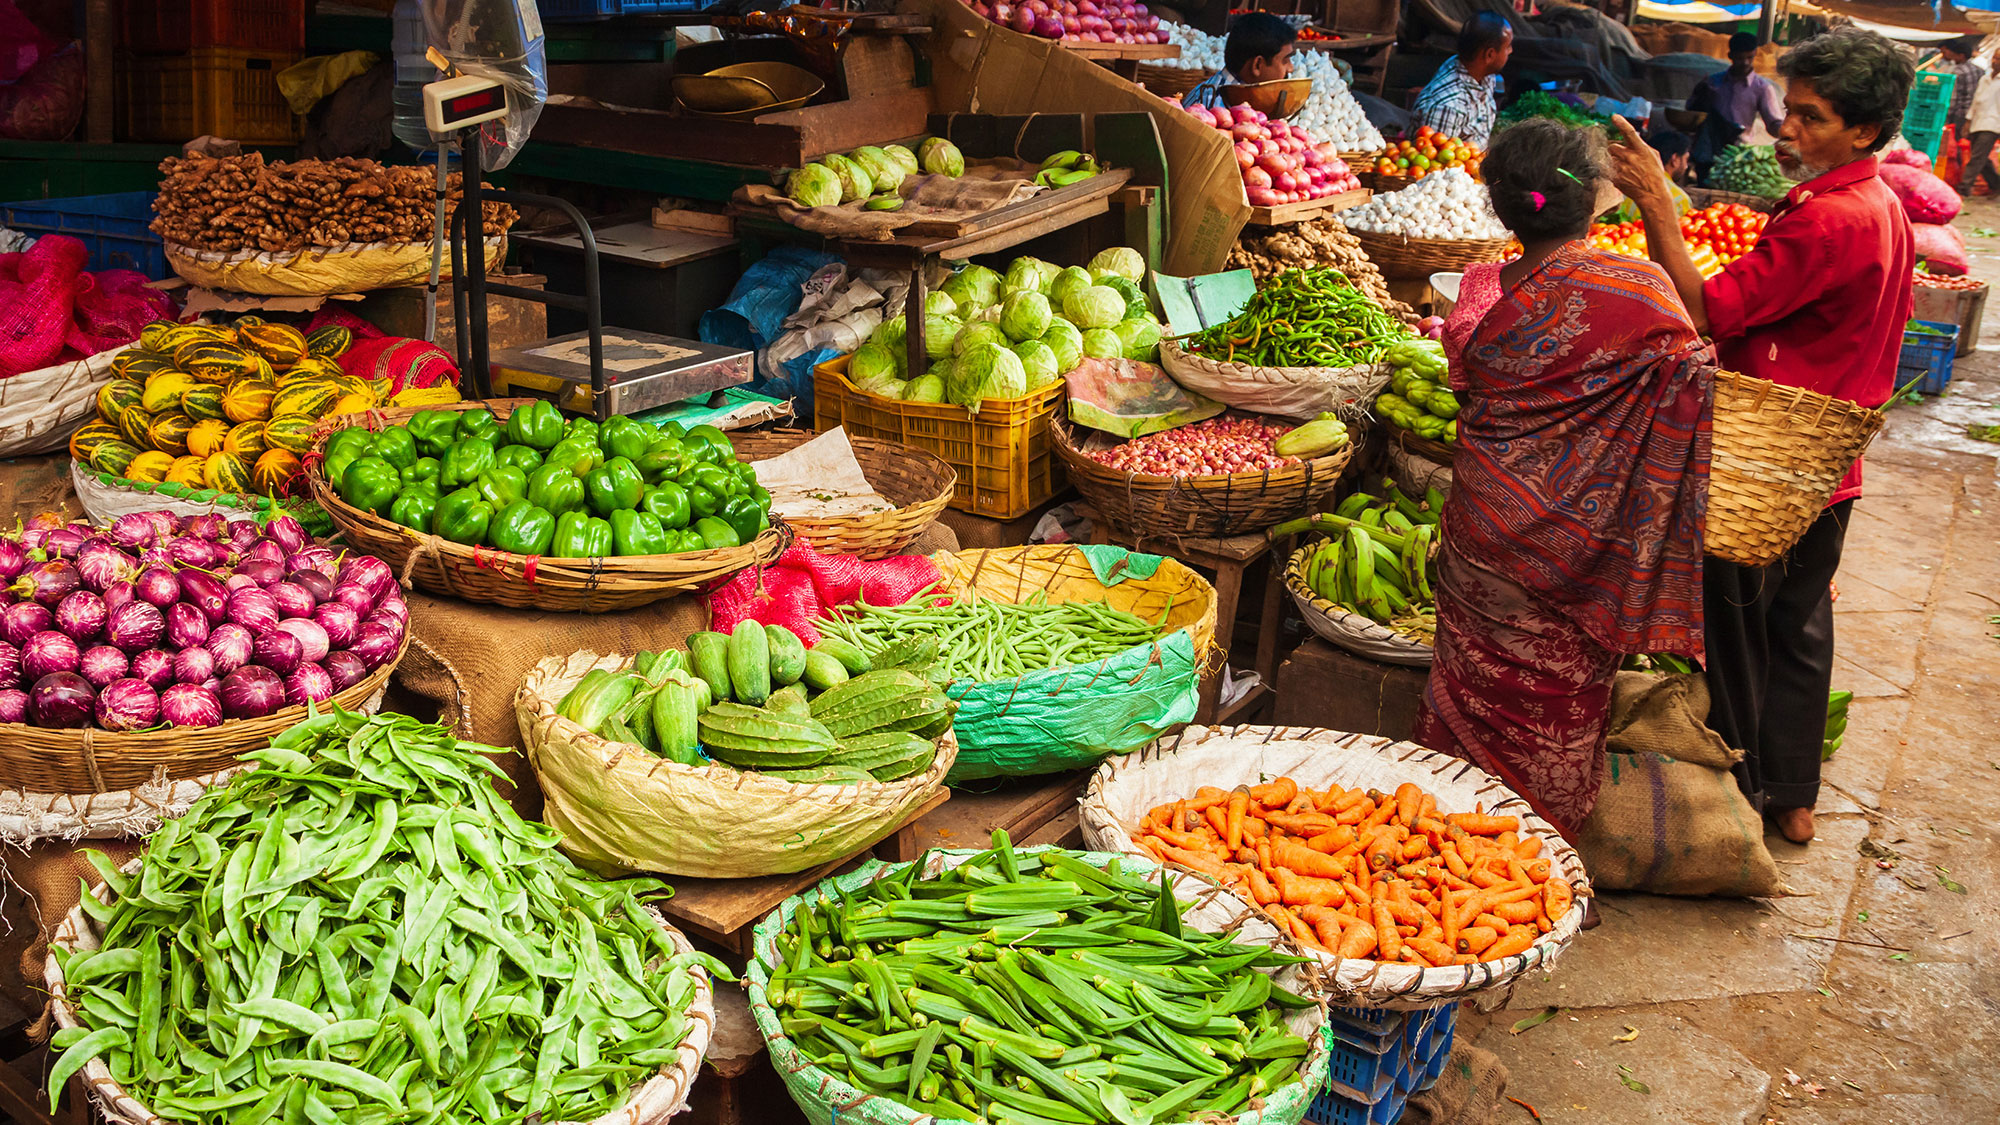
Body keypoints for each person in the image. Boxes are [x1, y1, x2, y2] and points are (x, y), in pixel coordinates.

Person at [1609, 27, 1915, 845]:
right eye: (1791, 110)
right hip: (1829, 467)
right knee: (1802, 625)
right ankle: (1793, 795)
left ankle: (1737, 799)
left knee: (1737, 629)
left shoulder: (1824, 221)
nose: (1787, 129)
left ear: (1863, 131)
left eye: (1809, 119)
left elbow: (1707, 311)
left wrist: (1655, 201)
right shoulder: (1882, 204)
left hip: (1764, 463)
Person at [1413, 118, 1714, 853]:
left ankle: (1450, 838)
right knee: (1561, 697)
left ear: (1502, 203)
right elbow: (1694, 360)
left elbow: (1463, 379)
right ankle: (1534, 858)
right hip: (1580, 552)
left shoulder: (1480, 289)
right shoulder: (1639, 287)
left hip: (1483, 525)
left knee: (1467, 684)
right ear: (1595, 201)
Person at [1687, 32, 1785, 179]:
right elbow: (1692, 112)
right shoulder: (1713, 83)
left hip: (1738, 157)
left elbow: (1773, 122)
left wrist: (1784, 131)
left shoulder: (1761, 88)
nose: (1745, 62)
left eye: (1749, 57)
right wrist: (1700, 93)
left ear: (1755, 55)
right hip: (1708, 152)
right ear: (1730, 55)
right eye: (1740, 58)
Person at [1410, 13, 1512, 146]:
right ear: (1490, 55)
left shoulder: (1484, 75)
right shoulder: (1448, 107)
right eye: (1508, 47)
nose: (1511, 51)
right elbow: (1438, 162)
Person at [1183, 12, 1295, 111]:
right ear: (1257, 65)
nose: (1291, 68)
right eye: (1285, 61)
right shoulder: (1215, 105)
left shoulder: (1245, 98)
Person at [1960, 50, 2000, 195]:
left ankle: (1964, 188)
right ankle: (1996, 184)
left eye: (1999, 59)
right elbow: (1976, 101)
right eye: (1994, 58)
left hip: (1993, 124)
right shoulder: (1985, 78)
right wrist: (1968, 121)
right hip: (1977, 121)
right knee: (1980, 156)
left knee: (1977, 157)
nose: (1995, 61)